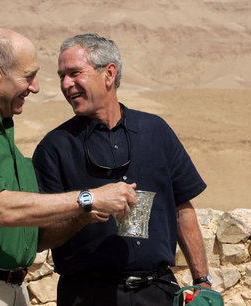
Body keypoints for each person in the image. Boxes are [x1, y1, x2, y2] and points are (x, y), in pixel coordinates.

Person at [0, 28, 136, 306]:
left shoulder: (0, 133)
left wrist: (82, 215)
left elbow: (30, 239)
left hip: (9, 287)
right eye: (28, 76)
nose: (35, 87)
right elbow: (2, 209)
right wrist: (90, 197)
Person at [32, 33, 211, 305]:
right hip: (87, 296)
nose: (66, 84)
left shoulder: (156, 132)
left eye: (74, 73)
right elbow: (42, 237)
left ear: (109, 74)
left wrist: (201, 280)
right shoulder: (54, 147)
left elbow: (182, 209)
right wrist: (83, 213)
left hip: (158, 293)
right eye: (61, 76)